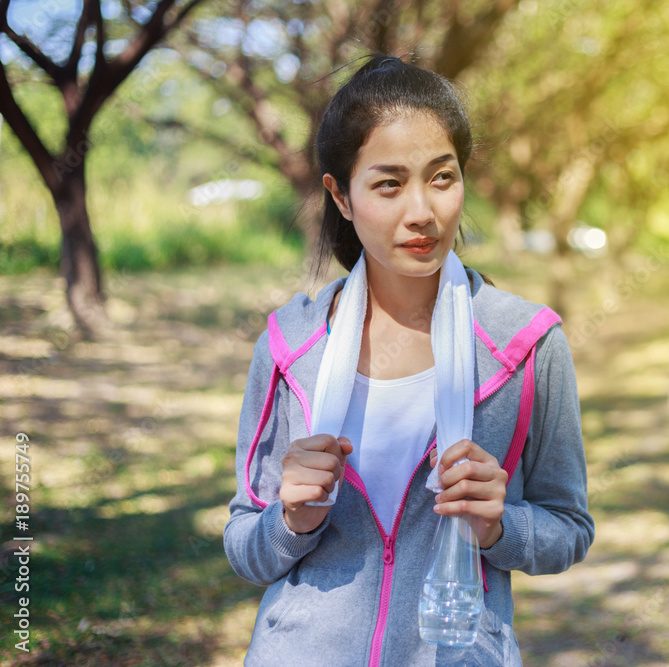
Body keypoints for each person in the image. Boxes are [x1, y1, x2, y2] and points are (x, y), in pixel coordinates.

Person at [224, 54, 594, 666]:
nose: (422, 211)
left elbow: (569, 529)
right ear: (341, 196)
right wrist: (290, 520)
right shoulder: (292, 344)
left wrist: (499, 526)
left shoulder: (526, 344)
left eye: (442, 177)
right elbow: (245, 545)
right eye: (389, 184)